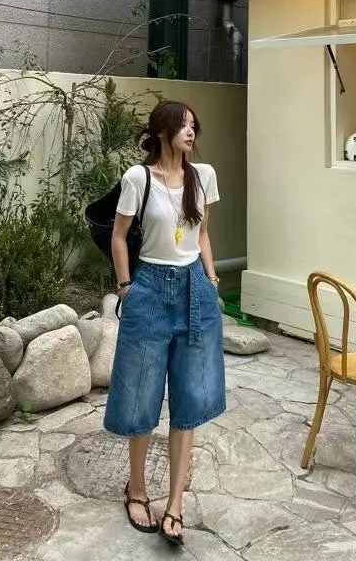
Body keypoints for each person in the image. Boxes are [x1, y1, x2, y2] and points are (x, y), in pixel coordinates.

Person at [104, 100, 225, 547]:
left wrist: (211, 280)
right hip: (150, 289)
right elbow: (119, 235)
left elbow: (203, 234)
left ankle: (175, 504)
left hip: (195, 288)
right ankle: (136, 490)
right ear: (161, 131)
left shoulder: (203, 176)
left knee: (189, 401)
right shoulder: (138, 178)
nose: (190, 132)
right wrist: (125, 286)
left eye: (194, 125)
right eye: (182, 125)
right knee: (141, 395)